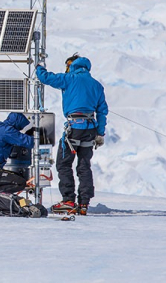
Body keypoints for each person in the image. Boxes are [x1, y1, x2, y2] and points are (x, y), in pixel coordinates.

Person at [36, 53, 108, 215]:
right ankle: (84, 203)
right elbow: (102, 111)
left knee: (64, 163)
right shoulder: (96, 85)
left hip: (74, 128)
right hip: (90, 129)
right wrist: (100, 133)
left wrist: (39, 66)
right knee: (84, 165)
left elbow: (46, 78)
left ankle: (68, 200)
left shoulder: (69, 79)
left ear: (72, 65)